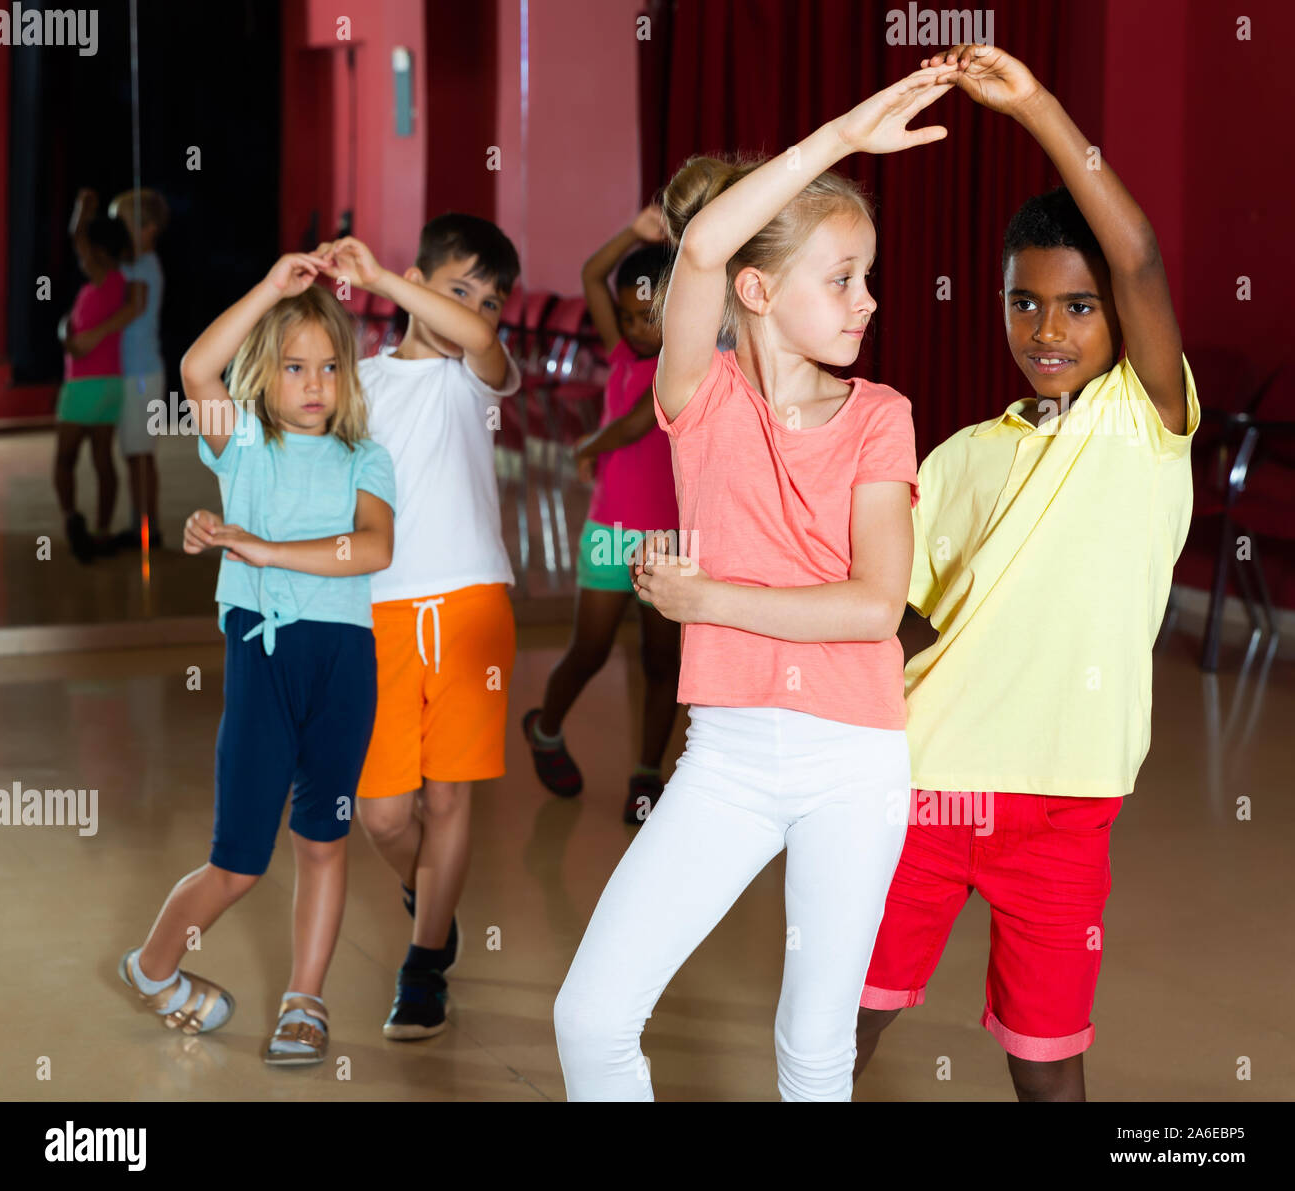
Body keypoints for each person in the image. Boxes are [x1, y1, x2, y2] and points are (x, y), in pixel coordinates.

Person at [553, 66, 954, 1101]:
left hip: (852, 762)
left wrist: (707, 600)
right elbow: (699, 248)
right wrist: (841, 136)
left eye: (869, 277)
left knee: (813, 1050)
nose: (867, 301)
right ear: (759, 290)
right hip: (727, 758)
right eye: (842, 277)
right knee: (590, 1017)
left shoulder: (881, 415)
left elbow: (873, 605)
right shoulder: (701, 396)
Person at [852, 45, 1199, 1102]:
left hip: (1063, 806)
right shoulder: (958, 457)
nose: (1046, 330)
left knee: (1046, 1060)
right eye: (1023, 303)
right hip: (918, 783)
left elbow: (1134, 253)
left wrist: (1037, 107)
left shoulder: (1143, 424)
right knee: (843, 1018)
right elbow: (900, 617)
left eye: (1077, 307)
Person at [121, 254, 396, 1065]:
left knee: (323, 838)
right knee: (238, 860)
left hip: (344, 660)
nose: (314, 383)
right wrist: (274, 290)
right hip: (261, 655)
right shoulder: (241, 442)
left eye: (330, 366)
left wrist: (264, 548)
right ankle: (153, 966)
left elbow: (373, 546)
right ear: (265, 377)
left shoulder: (364, 458)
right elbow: (196, 366)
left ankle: (304, 1001)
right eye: (293, 366)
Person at [316, 218, 522, 1041]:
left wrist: (383, 283)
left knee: (447, 799)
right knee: (385, 816)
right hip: (379, 614)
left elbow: (474, 335)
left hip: (471, 605)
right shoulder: (359, 385)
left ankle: (424, 961)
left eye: (489, 298)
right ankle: (430, 900)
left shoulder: (478, 377)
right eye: (456, 286)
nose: (475, 309)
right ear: (417, 278)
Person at [524, 205, 682, 823]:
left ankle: (646, 775)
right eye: (627, 317)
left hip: (670, 539)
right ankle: (544, 727)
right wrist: (636, 236)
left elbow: (642, 419)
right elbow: (593, 275)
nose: (636, 328)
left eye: (649, 317)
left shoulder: (691, 363)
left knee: (660, 662)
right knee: (588, 651)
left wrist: (589, 445)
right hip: (610, 531)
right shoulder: (621, 352)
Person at [54, 190, 132, 562]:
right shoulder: (113, 284)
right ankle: (101, 531)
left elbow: (76, 239)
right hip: (110, 384)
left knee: (65, 458)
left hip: (84, 383)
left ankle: (72, 519)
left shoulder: (105, 277)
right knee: (103, 459)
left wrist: (81, 211)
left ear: (100, 251)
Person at [108, 187, 170, 550]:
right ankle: (141, 525)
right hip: (135, 373)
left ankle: (148, 530)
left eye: (124, 223)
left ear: (147, 229)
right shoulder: (132, 264)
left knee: (140, 456)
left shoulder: (145, 266)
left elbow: (130, 310)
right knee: (134, 455)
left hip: (142, 375)